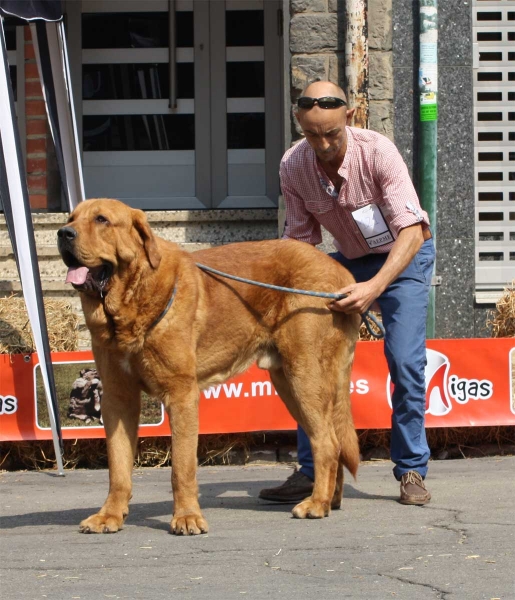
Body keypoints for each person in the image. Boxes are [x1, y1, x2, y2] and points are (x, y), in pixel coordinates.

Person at [259, 81, 435, 506]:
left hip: (403, 258)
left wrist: (375, 286)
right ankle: (311, 470)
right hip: (347, 260)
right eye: (312, 134)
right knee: (306, 360)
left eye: (331, 134)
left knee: (406, 362)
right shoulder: (293, 165)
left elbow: (412, 230)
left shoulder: (377, 152)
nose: (322, 144)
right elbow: (300, 239)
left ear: (350, 118)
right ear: (301, 123)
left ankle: (411, 469)